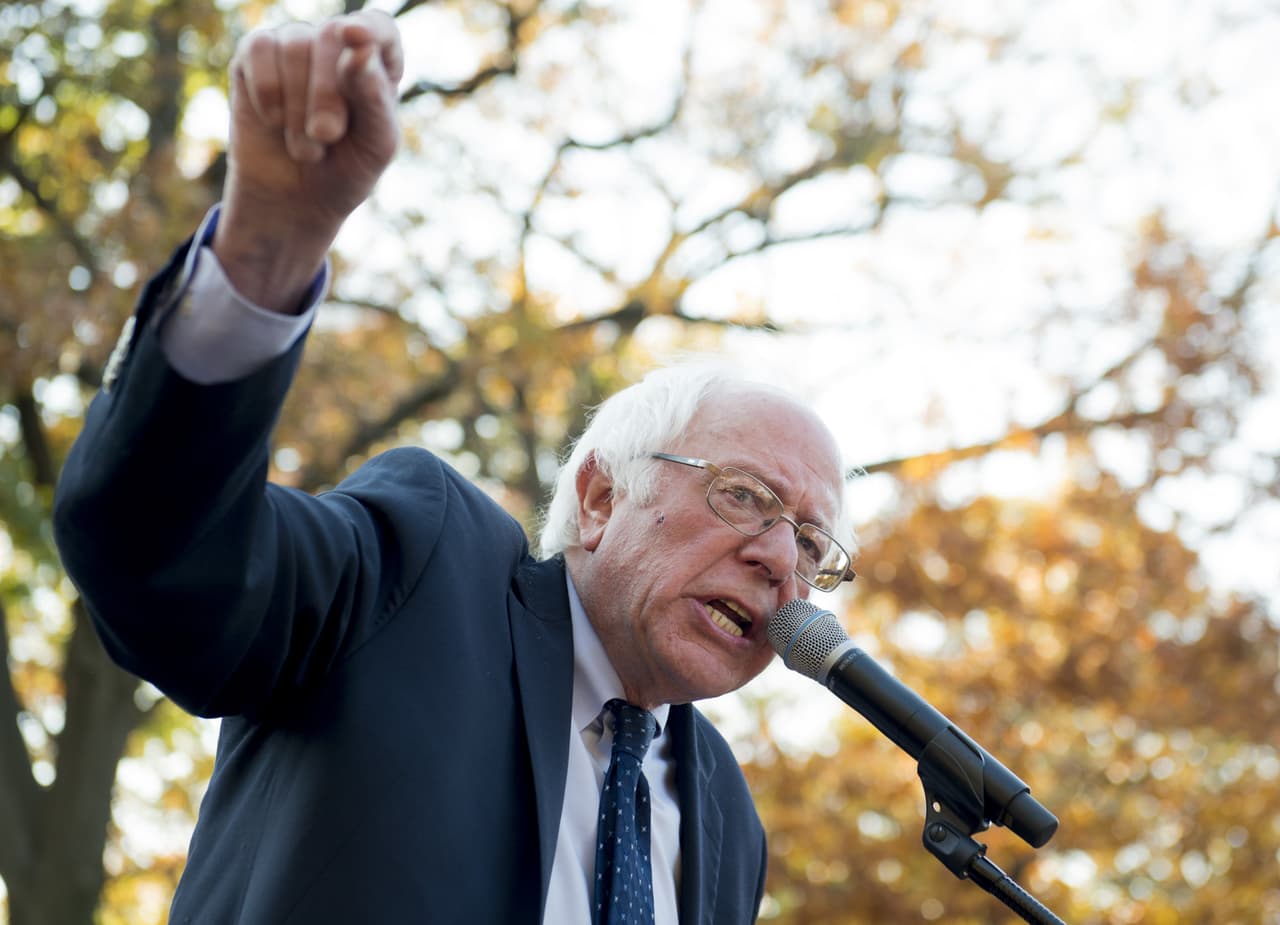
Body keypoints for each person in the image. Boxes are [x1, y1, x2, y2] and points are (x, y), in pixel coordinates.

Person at [52, 10, 856, 924]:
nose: (781, 561)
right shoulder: (422, 572)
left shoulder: (727, 816)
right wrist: (265, 246)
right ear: (598, 497)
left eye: (813, 544)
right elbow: (159, 556)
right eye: (743, 495)